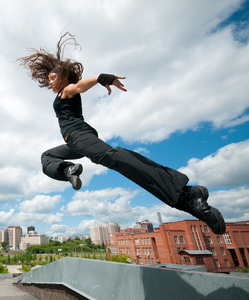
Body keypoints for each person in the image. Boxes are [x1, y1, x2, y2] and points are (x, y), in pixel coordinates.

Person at [18, 33, 226, 235]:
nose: (50, 81)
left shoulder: (68, 89)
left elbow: (80, 86)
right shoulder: (62, 92)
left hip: (79, 136)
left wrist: (100, 78)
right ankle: (68, 170)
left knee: (114, 158)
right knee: (48, 157)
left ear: (63, 77)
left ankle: (188, 196)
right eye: (49, 78)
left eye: (53, 77)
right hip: (75, 141)